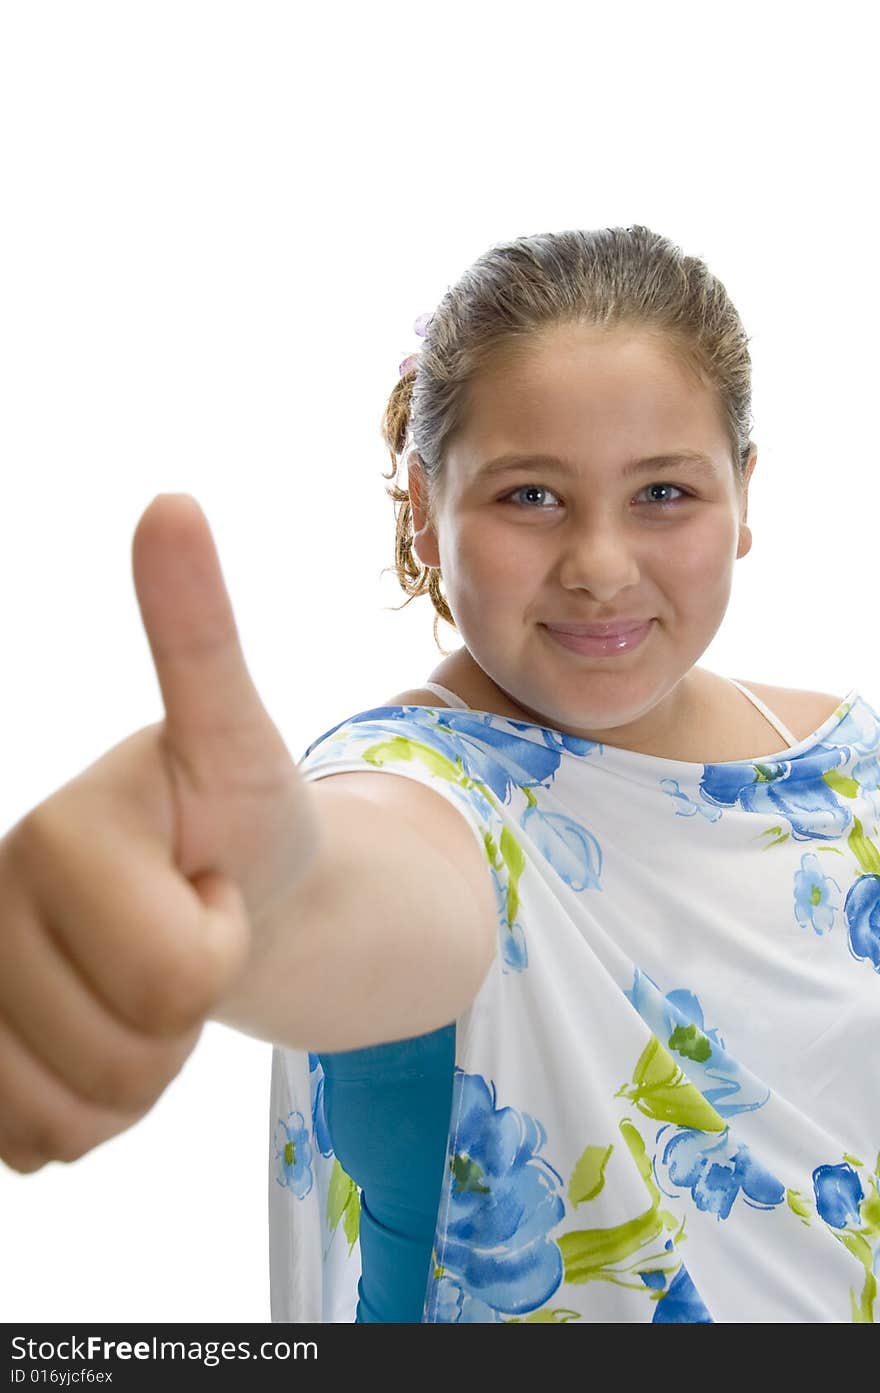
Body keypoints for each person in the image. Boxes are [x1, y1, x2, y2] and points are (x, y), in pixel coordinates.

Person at [2, 226, 878, 1325]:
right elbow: (373, 890)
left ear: (743, 495)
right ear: (423, 503)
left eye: (662, 492)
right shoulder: (416, 785)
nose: (600, 566)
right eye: (530, 496)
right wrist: (241, 902)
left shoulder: (849, 769)